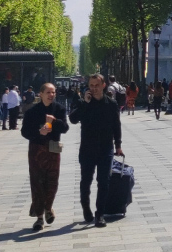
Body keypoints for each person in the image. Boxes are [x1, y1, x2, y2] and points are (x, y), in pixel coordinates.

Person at [69, 74, 122, 227]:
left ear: (103, 85)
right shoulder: (83, 102)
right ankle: (86, 207)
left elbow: (116, 126)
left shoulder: (111, 104)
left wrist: (118, 145)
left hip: (106, 148)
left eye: (96, 85)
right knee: (86, 181)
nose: (93, 88)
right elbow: (73, 119)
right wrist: (85, 103)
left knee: (103, 181)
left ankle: (100, 214)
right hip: (87, 149)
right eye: (91, 85)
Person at [21, 82, 69, 231]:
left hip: (53, 148)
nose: (51, 95)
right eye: (48, 92)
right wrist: (38, 132)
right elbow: (24, 132)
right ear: (40, 94)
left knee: (52, 181)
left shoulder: (59, 109)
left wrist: (54, 121)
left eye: (53, 92)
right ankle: (39, 217)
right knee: (37, 181)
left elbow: (65, 128)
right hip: (37, 149)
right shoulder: (32, 111)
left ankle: (48, 207)